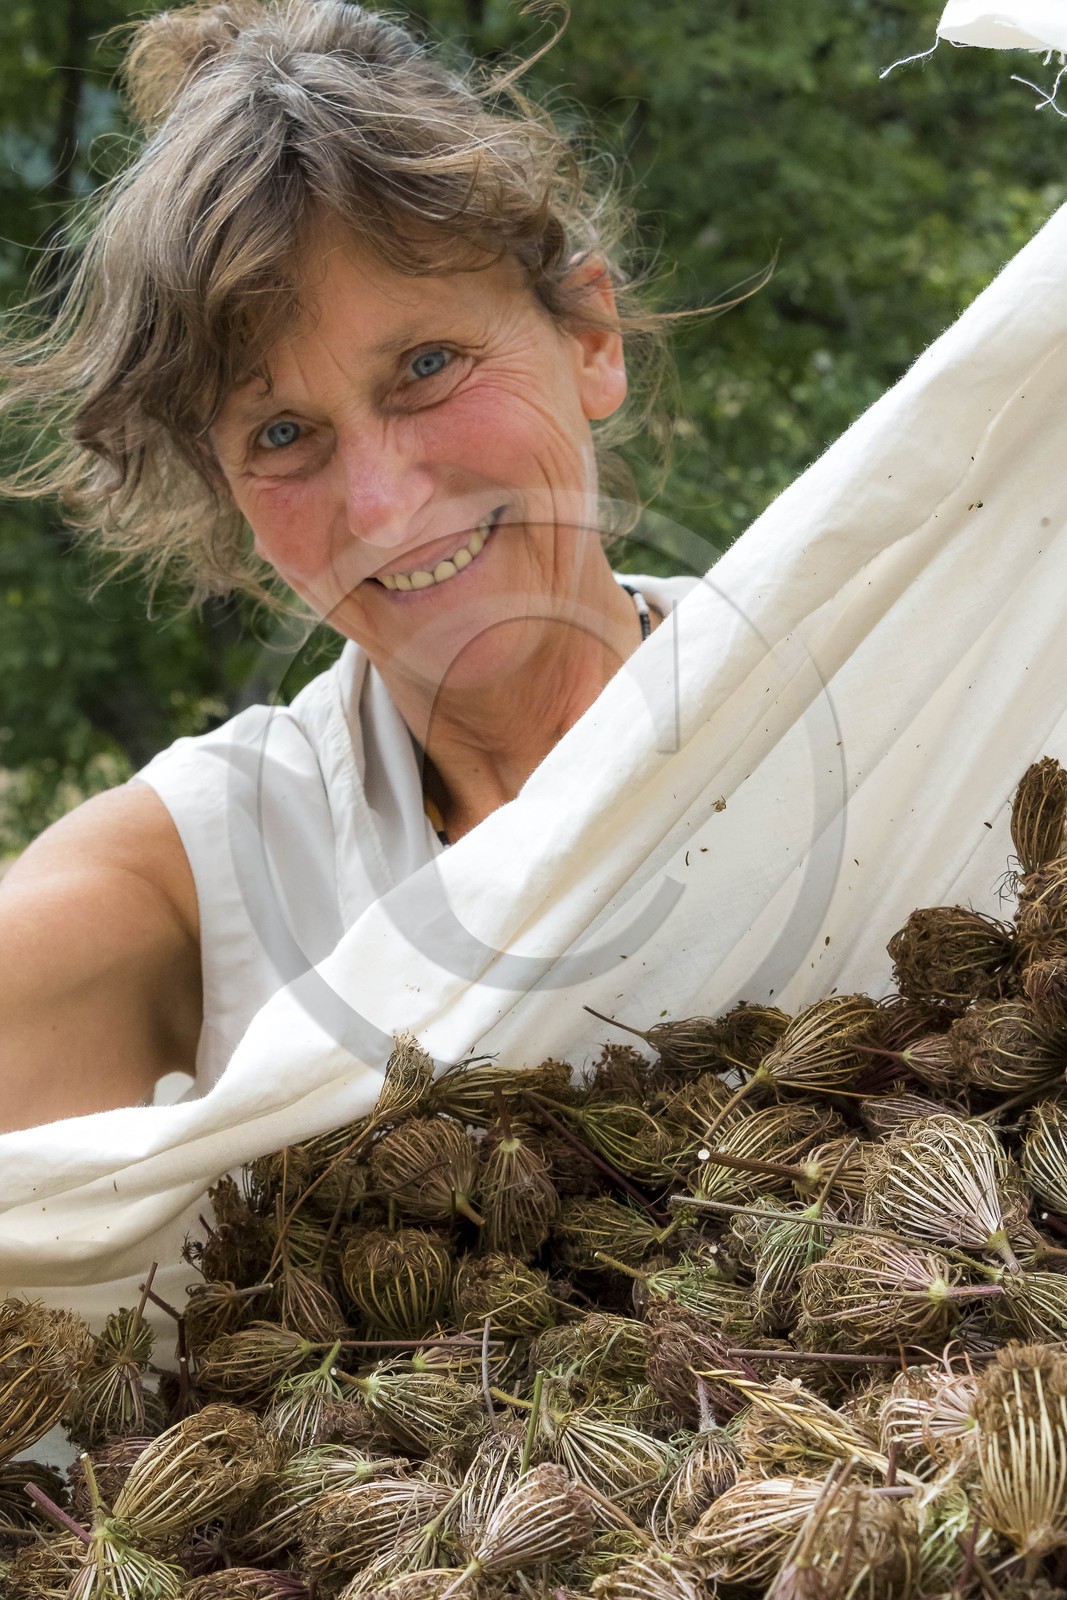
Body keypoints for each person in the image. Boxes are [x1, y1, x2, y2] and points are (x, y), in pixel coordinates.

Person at [0, 0, 699, 1132]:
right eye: (280, 436)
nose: (380, 504)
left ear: (588, 339)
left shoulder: (861, 700)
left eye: (426, 365)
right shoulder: (207, 864)